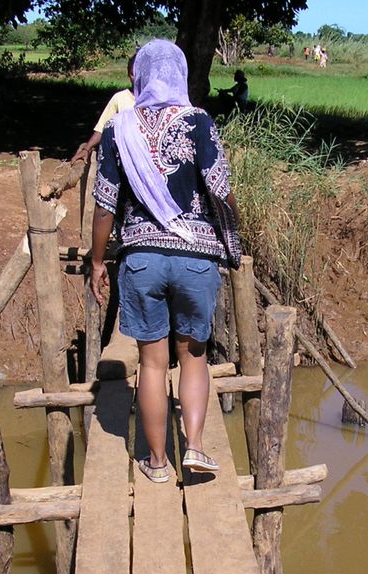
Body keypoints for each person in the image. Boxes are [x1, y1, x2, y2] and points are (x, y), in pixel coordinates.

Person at [89, 39, 244, 483]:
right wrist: (233, 230)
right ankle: (194, 448)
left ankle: (156, 464)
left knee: (152, 364)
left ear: (139, 76)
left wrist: (99, 262)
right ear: (180, 74)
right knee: (193, 357)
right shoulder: (198, 121)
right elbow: (218, 186)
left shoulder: (119, 128)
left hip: (141, 261)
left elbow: (104, 205)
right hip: (195, 258)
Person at [70, 54, 136, 164]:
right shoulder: (119, 98)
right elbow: (102, 127)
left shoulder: (157, 101)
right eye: (133, 74)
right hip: (124, 160)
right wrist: (87, 148)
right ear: (128, 75)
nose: (137, 78)